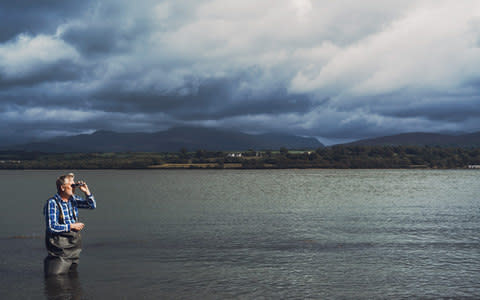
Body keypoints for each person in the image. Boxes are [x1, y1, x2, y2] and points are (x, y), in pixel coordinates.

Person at [43, 173, 96, 276]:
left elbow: (92, 206)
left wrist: (86, 191)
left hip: (74, 248)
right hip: (59, 250)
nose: (74, 187)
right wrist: (71, 226)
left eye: (74, 185)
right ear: (63, 187)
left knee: (72, 278)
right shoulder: (52, 203)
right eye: (72, 185)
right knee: (55, 278)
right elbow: (51, 227)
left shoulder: (73, 199)